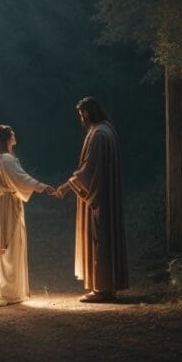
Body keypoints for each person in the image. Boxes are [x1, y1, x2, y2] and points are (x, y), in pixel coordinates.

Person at [0, 125, 55, 307]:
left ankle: (1, 286)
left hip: (0, 205)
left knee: (3, 242)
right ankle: (9, 290)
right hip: (7, 206)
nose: (15, 136)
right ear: (8, 138)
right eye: (12, 134)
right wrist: (41, 186)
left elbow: (17, 178)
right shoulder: (6, 159)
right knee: (10, 244)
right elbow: (21, 178)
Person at [55, 97, 129, 303]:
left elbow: (89, 170)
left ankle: (102, 288)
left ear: (86, 113)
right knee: (104, 237)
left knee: (100, 237)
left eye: (81, 115)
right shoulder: (107, 130)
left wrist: (67, 186)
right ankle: (107, 286)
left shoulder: (98, 135)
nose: (81, 119)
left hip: (100, 198)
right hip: (106, 194)